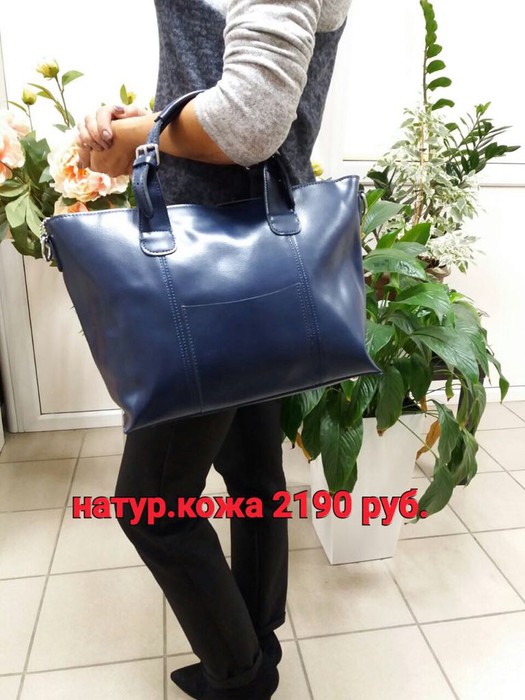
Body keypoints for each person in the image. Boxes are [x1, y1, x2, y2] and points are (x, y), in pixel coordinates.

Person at [76, 1, 353, 697]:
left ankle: (239, 678)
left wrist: (138, 136)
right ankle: (256, 640)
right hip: (248, 257)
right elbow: (226, 82)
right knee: (253, 474)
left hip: (205, 278)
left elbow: (250, 121)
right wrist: (144, 122)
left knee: (151, 507)